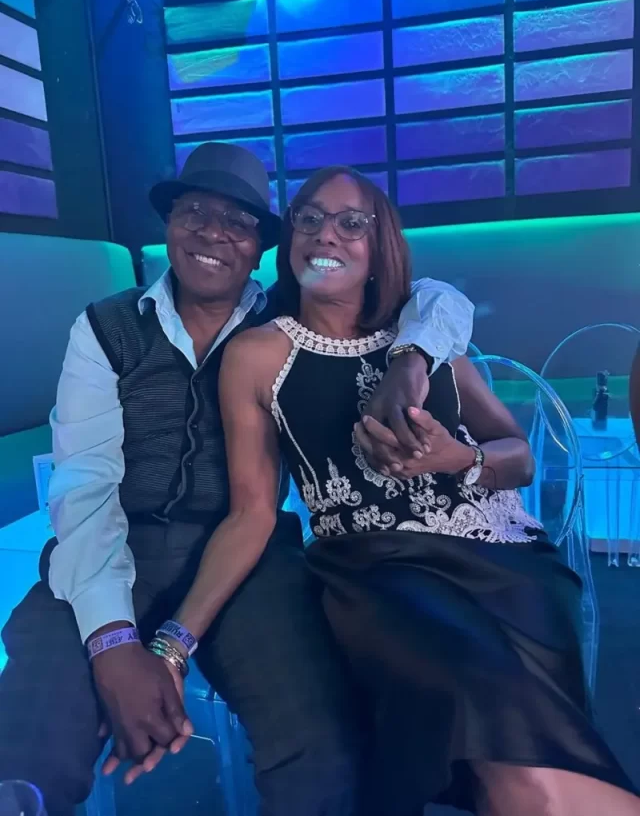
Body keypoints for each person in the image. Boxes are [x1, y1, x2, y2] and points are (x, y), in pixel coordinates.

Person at [0, 144, 474, 816]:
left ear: (259, 249)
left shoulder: (289, 321)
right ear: (169, 225)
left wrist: (411, 357)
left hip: (249, 554)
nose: (213, 232)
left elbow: (438, 297)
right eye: (194, 211)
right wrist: (112, 643)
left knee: (318, 743)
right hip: (109, 543)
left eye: (239, 221)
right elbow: (86, 486)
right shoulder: (105, 327)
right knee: (28, 736)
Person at [163, 166, 640, 816]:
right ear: (290, 236)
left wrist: (458, 459)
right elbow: (252, 512)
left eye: (351, 223)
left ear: (379, 243)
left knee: (510, 754)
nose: (326, 234)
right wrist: (173, 642)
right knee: (482, 685)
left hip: (506, 561)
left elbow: (521, 458)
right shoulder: (257, 355)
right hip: (377, 570)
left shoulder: (426, 335)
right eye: (309, 218)